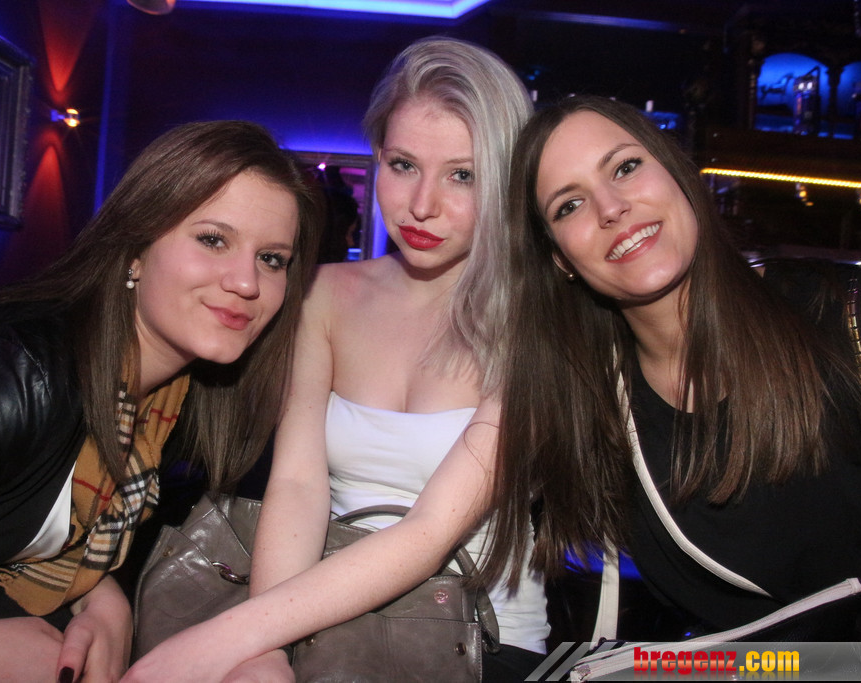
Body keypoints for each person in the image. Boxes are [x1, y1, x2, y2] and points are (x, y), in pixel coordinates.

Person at [125, 36, 549, 682]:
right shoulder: (324, 293)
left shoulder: (535, 324)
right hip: (323, 622)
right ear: (378, 156)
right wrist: (267, 652)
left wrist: (228, 638)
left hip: (481, 639)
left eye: (462, 175)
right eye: (403, 165)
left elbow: (430, 532)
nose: (422, 204)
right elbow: (298, 485)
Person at [481, 94, 861, 643]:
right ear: (559, 259)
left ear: (678, 173)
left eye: (625, 167)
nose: (611, 208)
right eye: (569, 205)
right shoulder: (589, 406)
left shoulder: (860, 319)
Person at [0, 119, 322, 682]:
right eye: (213, 240)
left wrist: (103, 595)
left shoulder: (172, 404)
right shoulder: (10, 379)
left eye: (272, 259)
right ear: (136, 248)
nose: (247, 283)